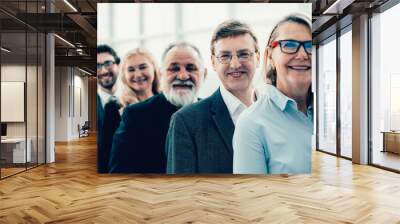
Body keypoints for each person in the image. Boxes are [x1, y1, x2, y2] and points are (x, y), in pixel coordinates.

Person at [166, 20, 260, 174]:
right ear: (213, 63)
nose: (235, 64)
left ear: (258, 58)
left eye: (243, 54)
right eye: (225, 56)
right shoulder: (186, 121)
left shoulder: (277, 113)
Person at [108, 42, 207, 173]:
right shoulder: (135, 116)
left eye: (191, 68)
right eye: (174, 68)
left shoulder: (213, 113)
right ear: (161, 74)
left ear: (204, 74)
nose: (183, 75)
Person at [233, 14, 313, 174]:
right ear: (270, 56)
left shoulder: (333, 117)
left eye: (311, 46)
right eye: (289, 45)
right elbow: (253, 196)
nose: (303, 55)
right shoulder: (251, 123)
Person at [99, 48, 161, 173]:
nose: (137, 74)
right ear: (124, 76)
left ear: (154, 69)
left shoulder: (166, 104)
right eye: (131, 70)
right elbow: (106, 154)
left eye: (143, 67)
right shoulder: (114, 108)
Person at [97, 44, 120, 173]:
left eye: (108, 63)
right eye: (98, 66)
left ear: (118, 65)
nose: (104, 70)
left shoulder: (134, 100)